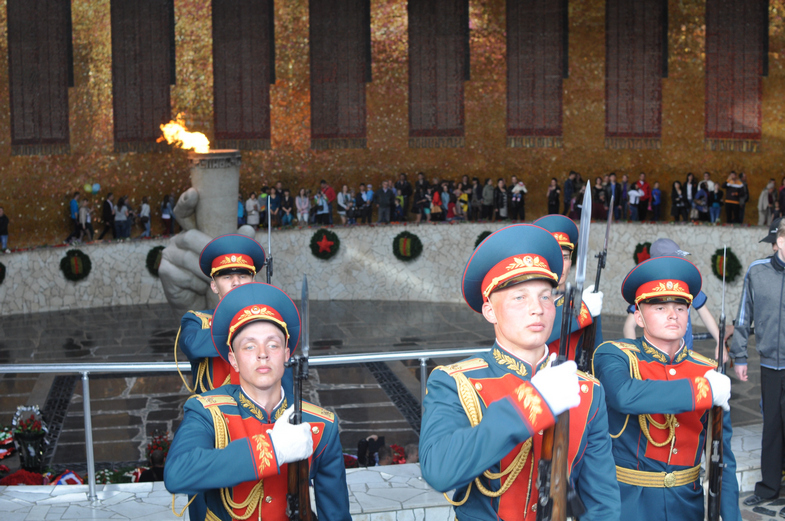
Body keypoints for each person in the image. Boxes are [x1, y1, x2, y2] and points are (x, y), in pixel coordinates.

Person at [420, 224, 620, 520]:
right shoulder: (455, 382)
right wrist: (533, 402)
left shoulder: (587, 391)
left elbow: (602, 503)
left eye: (545, 296)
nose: (537, 308)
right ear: (490, 311)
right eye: (519, 297)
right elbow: (439, 470)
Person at [165, 282, 351, 521]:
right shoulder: (207, 411)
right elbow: (177, 474)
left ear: (286, 355)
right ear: (233, 359)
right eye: (249, 346)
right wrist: (274, 448)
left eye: (273, 345)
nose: (263, 353)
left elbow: (336, 514)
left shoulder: (321, 425)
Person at [592, 255, 739, 521]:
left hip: (687, 504)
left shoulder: (707, 370)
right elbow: (624, 395)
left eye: (681, 308)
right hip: (628, 504)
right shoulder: (616, 355)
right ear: (639, 317)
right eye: (660, 307)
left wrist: (731, 517)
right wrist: (703, 391)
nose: (673, 315)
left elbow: (723, 459)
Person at [730, 218, 785, 509]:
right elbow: (743, 315)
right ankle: (768, 488)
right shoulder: (756, 271)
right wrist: (739, 355)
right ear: (780, 241)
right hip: (770, 364)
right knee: (772, 425)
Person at [175, 234, 267, 394]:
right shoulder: (197, 320)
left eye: (243, 276)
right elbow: (191, 346)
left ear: (253, 282)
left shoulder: (268, 320)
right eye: (227, 277)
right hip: (214, 407)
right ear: (214, 286)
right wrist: (243, 326)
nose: (236, 282)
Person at [622, 238, 730, 353]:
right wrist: (634, 353)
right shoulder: (649, 290)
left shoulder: (686, 287)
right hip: (656, 354)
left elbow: (706, 316)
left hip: (685, 353)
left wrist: (720, 343)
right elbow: (629, 325)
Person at [534, 214, 604, 365]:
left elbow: (596, 356)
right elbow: (531, 339)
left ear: (570, 262)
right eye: (552, 257)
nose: (560, 264)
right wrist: (581, 312)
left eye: (565, 257)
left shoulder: (583, 302)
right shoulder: (526, 301)